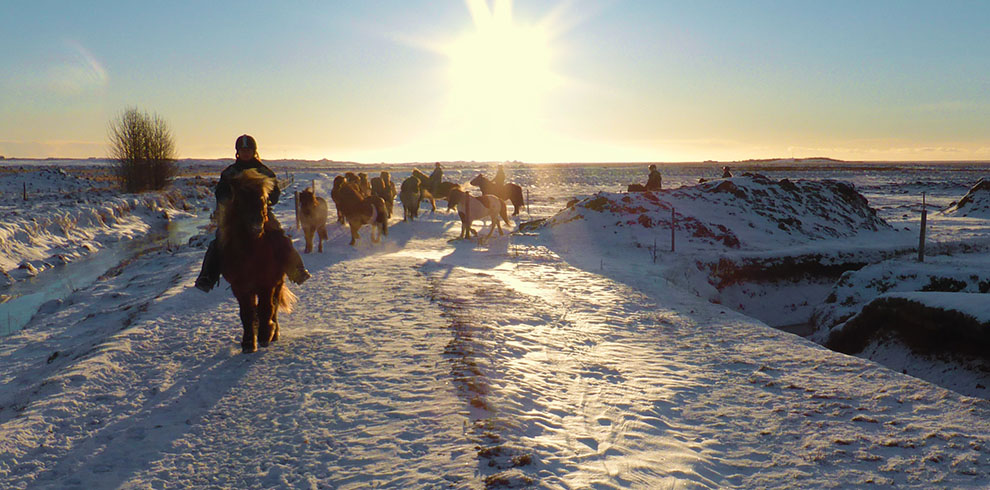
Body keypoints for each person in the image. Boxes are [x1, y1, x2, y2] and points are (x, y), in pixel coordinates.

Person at [194, 134, 310, 292]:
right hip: (235, 214)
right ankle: (207, 276)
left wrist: (263, 200)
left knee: (279, 236)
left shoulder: (264, 172)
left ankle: (297, 270)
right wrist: (229, 199)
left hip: (260, 213)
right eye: (243, 150)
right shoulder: (229, 173)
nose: (246, 153)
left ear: (254, 151)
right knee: (219, 240)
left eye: (248, 150)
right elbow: (220, 193)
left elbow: (275, 195)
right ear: (237, 152)